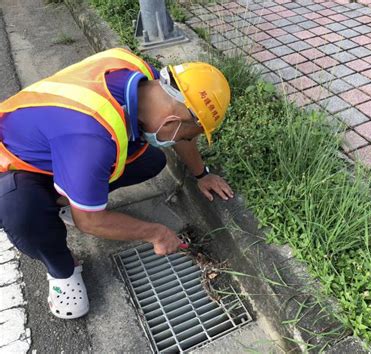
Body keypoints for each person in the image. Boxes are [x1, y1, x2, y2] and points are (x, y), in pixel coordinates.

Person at [0, 48, 233, 319]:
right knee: (21, 210)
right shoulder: (91, 141)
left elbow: (183, 131)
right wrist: (156, 233)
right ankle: (62, 270)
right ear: (171, 121)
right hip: (13, 164)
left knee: (150, 160)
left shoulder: (146, 77)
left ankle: (67, 197)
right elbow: (89, 222)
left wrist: (201, 174)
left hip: (56, 144)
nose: (180, 141)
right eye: (183, 136)